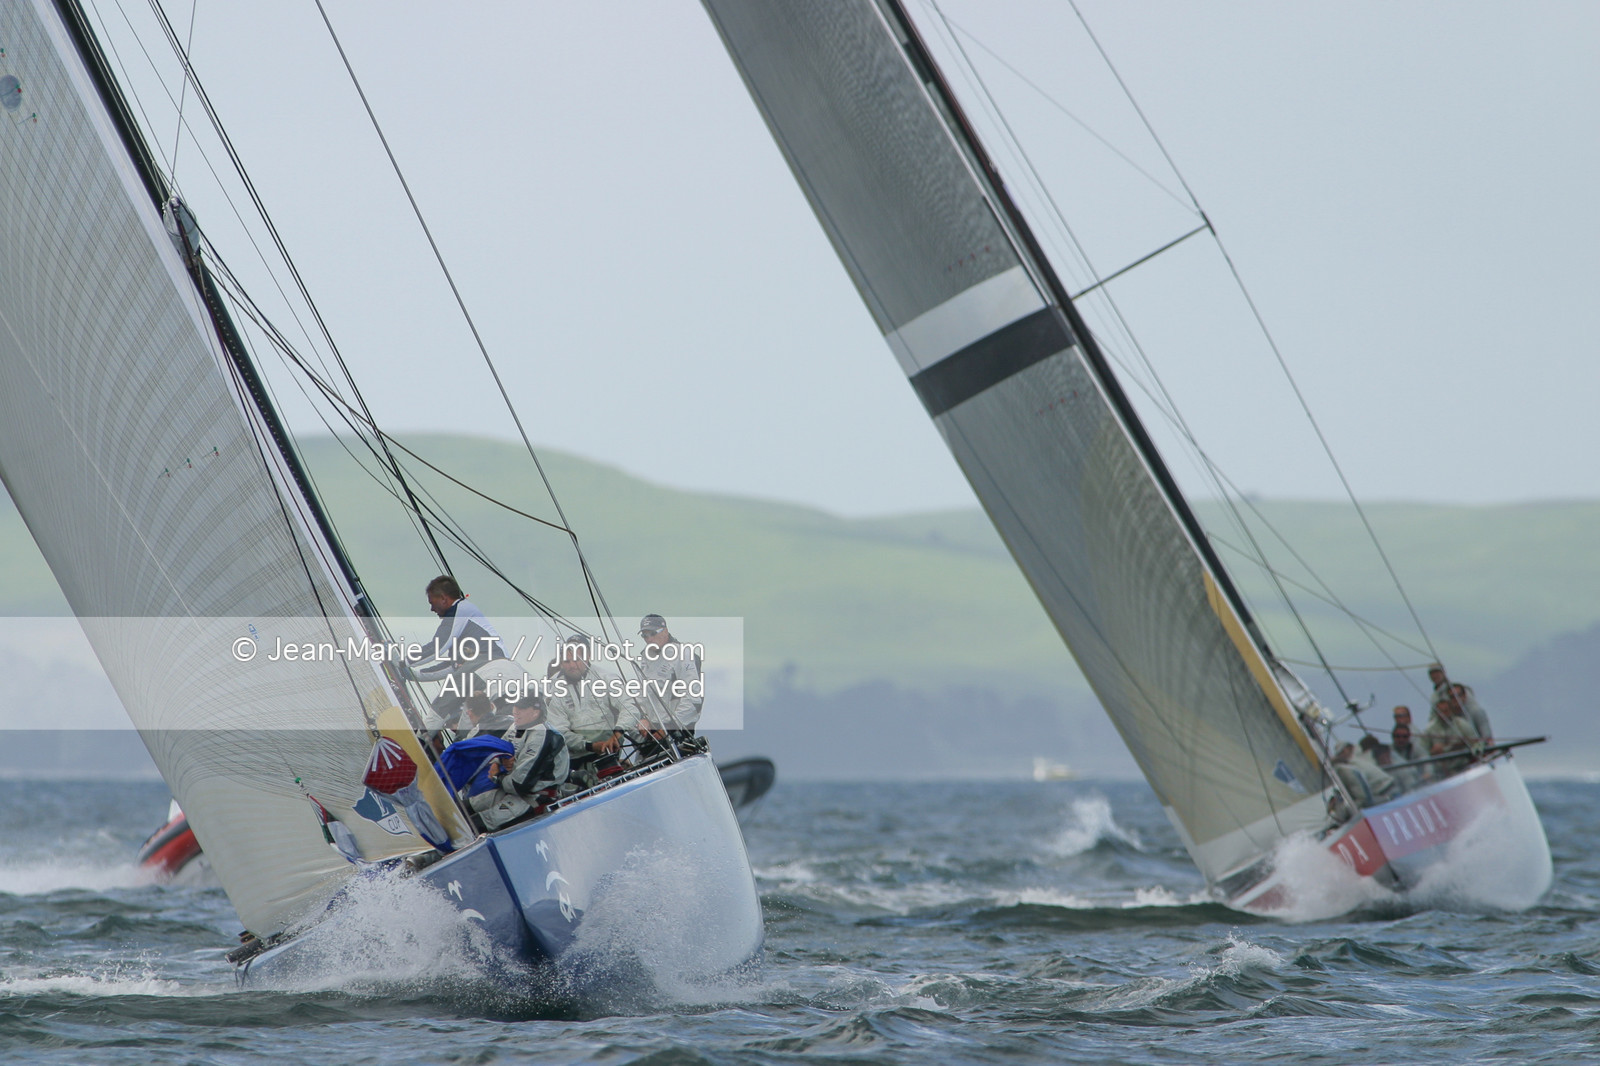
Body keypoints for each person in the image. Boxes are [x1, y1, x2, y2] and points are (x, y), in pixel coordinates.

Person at [546, 635, 637, 786]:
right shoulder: (552, 688)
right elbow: (559, 731)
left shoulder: (606, 677)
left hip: (610, 753)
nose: (572, 665)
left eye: (576, 659)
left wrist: (617, 733)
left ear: (587, 657)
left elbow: (630, 707)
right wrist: (589, 746)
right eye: (566, 661)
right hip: (576, 759)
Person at [470, 694, 571, 830]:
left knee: (472, 826)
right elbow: (498, 750)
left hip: (533, 797)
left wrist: (497, 775)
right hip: (509, 790)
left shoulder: (543, 734)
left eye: (521, 709)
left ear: (535, 713)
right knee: (462, 808)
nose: (515, 711)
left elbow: (520, 784)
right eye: (515, 707)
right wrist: (498, 762)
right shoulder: (516, 725)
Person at [632, 614, 705, 752]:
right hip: (651, 735)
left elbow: (693, 700)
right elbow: (642, 695)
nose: (649, 639)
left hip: (677, 733)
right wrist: (643, 718)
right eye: (645, 636)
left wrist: (668, 727)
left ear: (665, 631)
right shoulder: (645, 658)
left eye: (653, 633)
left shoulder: (683, 655)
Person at [1422, 695, 1482, 776]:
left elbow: (1476, 743)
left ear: (1451, 710)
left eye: (1446, 711)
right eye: (1441, 711)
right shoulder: (1429, 729)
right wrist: (1432, 752)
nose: (1443, 714)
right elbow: (1423, 752)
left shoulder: (1462, 724)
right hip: (1440, 773)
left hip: (1463, 767)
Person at [1332, 741, 1398, 807]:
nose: (1342, 754)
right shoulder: (1352, 763)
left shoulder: (1355, 761)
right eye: (1340, 753)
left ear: (1350, 748)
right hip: (1383, 791)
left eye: (1344, 751)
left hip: (1388, 789)